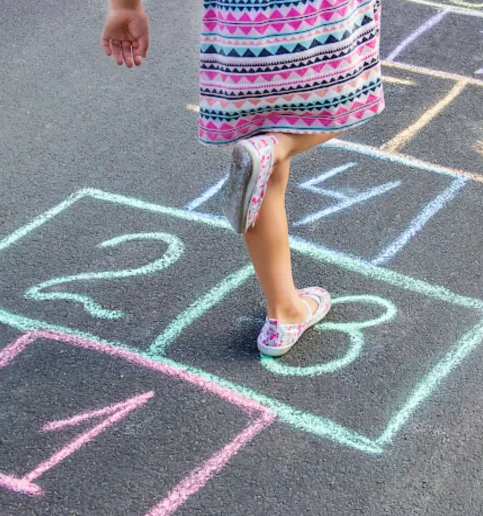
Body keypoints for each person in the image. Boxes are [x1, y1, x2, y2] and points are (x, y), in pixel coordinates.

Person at [101, 0, 385, 356]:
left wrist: (124, 6)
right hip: (316, 23)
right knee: (351, 100)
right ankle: (277, 146)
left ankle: (284, 312)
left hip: (241, 36)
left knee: (258, 167)